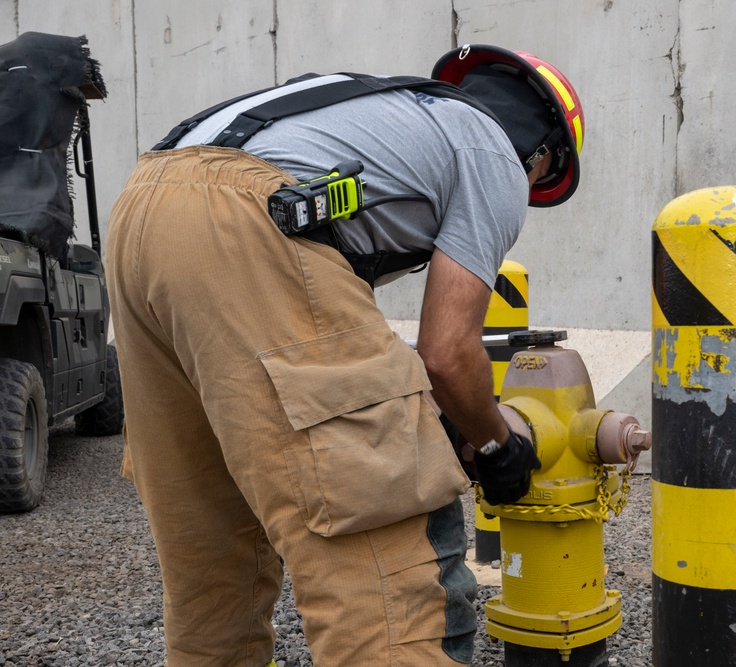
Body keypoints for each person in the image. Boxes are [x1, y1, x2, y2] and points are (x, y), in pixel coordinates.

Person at [105, 44, 585, 666]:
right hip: (249, 217)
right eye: (540, 179)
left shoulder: (375, 106)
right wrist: (498, 447)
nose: (528, 191)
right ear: (543, 150)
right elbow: (447, 352)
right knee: (384, 579)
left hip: (141, 209)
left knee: (215, 566)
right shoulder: (493, 152)